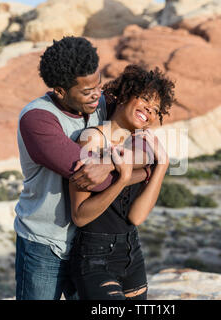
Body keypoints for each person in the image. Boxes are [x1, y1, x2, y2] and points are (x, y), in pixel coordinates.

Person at [14, 37, 150, 300]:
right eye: (87, 91)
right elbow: (93, 180)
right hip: (45, 244)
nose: (97, 94)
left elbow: (146, 142)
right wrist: (143, 172)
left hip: (91, 246)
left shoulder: (100, 102)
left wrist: (114, 162)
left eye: (98, 84)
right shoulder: (38, 119)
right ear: (60, 91)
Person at [68, 64, 175, 300]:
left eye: (156, 108)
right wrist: (122, 179)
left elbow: (136, 217)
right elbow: (80, 215)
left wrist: (162, 166)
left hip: (132, 253)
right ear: (125, 95)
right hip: (95, 256)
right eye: (145, 98)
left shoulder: (141, 146)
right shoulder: (92, 139)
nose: (150, 108)